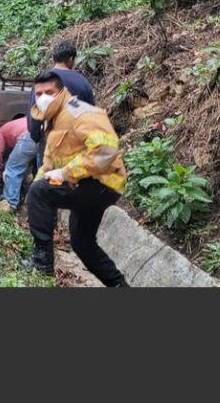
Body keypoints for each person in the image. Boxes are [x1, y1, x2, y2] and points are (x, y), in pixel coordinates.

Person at [21, 71, 130, 287]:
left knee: (39, 192)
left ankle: (42, 264)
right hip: (87, 183)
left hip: (102, 182)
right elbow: (49, 164)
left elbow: (106, 150)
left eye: (49, 92)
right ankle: (119, 285)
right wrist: (38, 186)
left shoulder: (79, 112)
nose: (43, 98)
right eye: (39, 93)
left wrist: (65, 173)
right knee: (82, 243)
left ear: (61, 91)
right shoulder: (53, 119)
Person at [27, 40, 95, 167]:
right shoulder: (83, 82)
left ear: (54, 58)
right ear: (71, 59)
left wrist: (36, 136)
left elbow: (34, 115)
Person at [0, 117, 37, 211]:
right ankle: (30, 206)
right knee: (39, 174)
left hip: (29, 137)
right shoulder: (18, 123)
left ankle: (9, 202)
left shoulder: (1, 132)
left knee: (13, 169)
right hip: (43, 136)